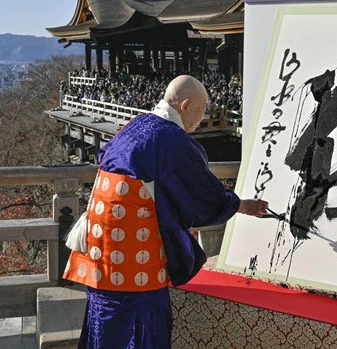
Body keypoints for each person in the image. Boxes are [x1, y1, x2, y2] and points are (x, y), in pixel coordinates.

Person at [63, 75, 268, 348]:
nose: (204, 115)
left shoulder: (137, 125)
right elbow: (204, 198)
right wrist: (240, 205)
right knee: (139, 333)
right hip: (133, 263)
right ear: (185, 106)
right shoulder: (170, 140)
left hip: (100, 253)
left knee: (105, 328)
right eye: (203, 108)